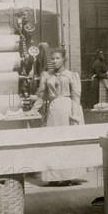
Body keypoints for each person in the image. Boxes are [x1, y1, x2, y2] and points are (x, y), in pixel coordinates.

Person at [31, 47, 85, 184]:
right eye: (52, 59)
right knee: (53, 143)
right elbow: (42, 96)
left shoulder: (71, 75)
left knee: (67, 142)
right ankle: (53, 178)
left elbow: (76, 96)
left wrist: (75, 113)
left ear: (64, 59)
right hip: (53, 111)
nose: (54, 61)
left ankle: (67, 176)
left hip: (67, 109)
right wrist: (34, 109)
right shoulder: (46, 76)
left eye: (57, 58)